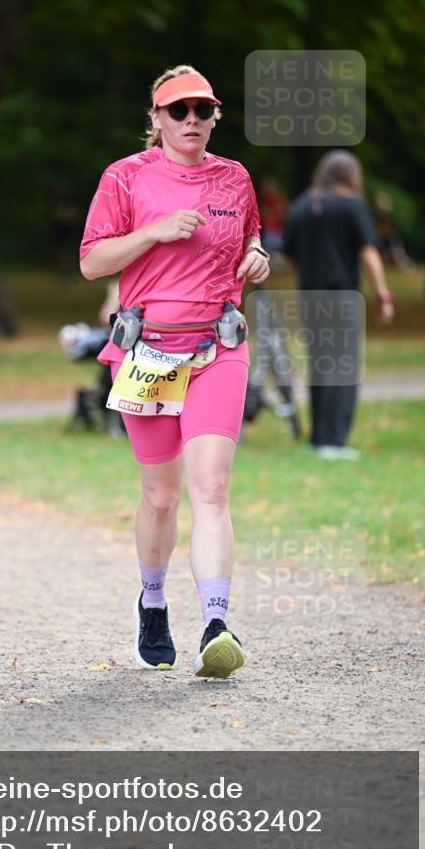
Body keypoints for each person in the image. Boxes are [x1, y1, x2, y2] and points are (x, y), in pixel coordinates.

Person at [79, 65, 270, 678]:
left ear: (215, 117)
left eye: (203, 110)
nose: (192, 120)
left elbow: (249, 238)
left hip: (218, 347)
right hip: (148, 354)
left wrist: (257, 257)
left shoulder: (234, 177)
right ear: (156, 118)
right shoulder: (125, 176)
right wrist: (155, 232)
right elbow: (92, 262)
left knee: (210, 487)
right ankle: (154, 601)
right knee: (161, 498)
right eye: (178, 110)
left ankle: (216, 624)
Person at [282, 151, 394, 459]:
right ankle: (334, 441)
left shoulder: (303, 205)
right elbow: (369, 253)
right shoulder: (351, 205)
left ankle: (319, 438)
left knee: (320, 364)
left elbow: (288, 253)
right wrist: (383, 295)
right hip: (342, 295)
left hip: (310, 297)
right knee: (343, 366)